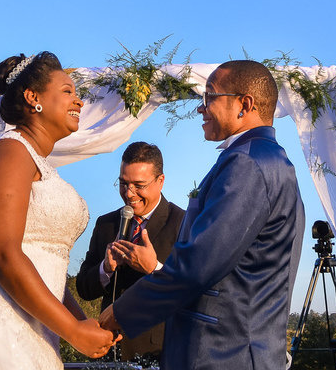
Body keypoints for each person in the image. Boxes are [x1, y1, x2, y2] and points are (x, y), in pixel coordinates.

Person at [100, 60, 305, 370]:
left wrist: (121, 313)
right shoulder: (271, 161)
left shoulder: (247, 165)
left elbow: (197, 266)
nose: (201, 108)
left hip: (224, 353)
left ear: (243, 104)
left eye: (210, 96)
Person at [0, 52, 120, 369]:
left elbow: (47, 266)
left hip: (32, 326)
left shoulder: (36, 162)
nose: (79, 101)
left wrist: (82, 323)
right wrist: (73, 331)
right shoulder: (10, 152)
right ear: (33, 97)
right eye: (68, 91)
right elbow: (3, 253)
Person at [75, 142, 185, 364]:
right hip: (108, 355)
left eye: (139, 185)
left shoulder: (183, 223)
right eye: (123, 183)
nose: (129, 193)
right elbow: (83, 289)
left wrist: (154, 268)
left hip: (158, 355)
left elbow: (192, 290)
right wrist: (105, 269)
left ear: (160, 181)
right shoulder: (106, 224)